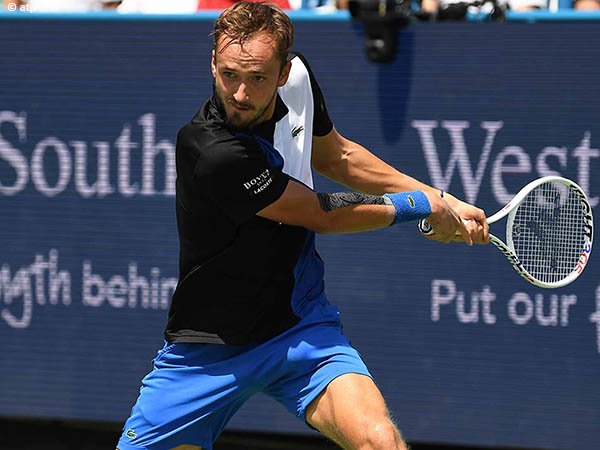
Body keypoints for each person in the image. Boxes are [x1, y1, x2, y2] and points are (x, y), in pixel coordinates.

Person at [116, 3, 488, 449]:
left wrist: (440, 199)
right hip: (209, 349)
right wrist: (419, 205)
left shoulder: (299, 81)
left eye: (257, 78)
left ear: (283, 72)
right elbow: (318, 212)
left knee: (379, 440)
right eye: (229, 74)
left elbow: (339, 156)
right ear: (212, 63)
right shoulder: (211, 150)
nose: (239, 93)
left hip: (300, 327)